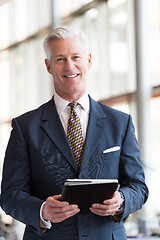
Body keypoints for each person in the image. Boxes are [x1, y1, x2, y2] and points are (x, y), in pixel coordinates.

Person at [0, 26, 148, 240]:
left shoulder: (120, 123)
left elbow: (138, 187)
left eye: (76, 56)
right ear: (48, 66)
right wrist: (42, 211)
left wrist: (122, 200)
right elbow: (10, 196)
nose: (70, 66)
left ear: (89, 59)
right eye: (60, 59)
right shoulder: (25, 126)